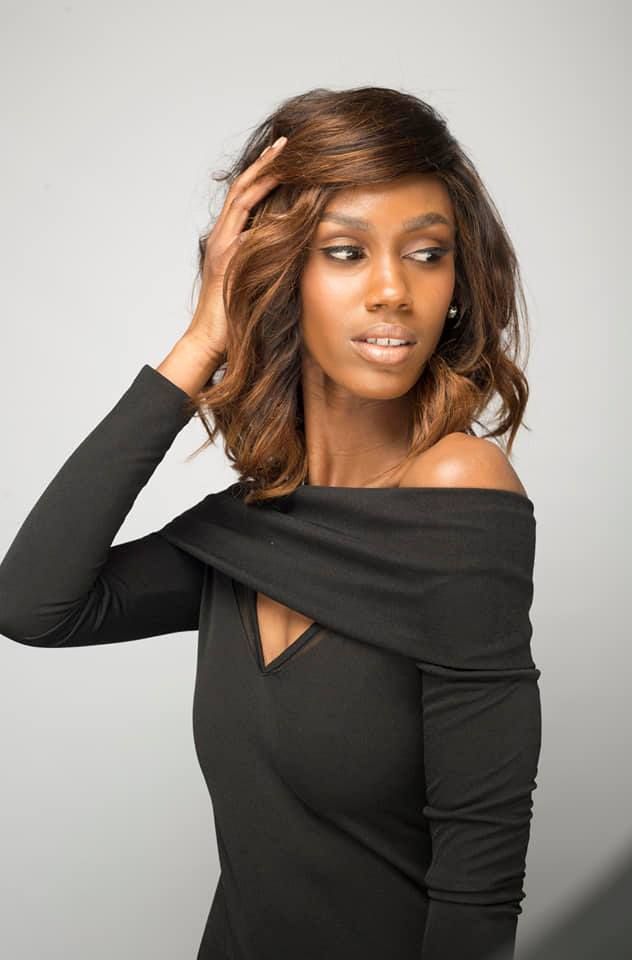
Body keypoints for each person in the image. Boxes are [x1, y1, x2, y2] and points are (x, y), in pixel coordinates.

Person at [0, 85, 542, 960]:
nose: (393, 291)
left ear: (457, 282)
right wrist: (201, 339)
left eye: (427, 253)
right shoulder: (248, 533)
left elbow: (479, 888)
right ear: (278, 271)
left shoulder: (459, 490)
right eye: (345, 251)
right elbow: (31, 604)